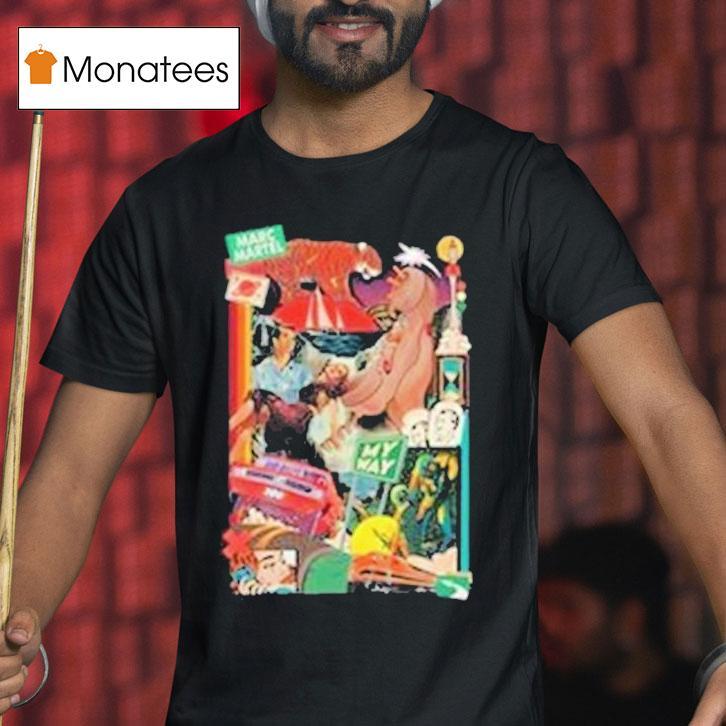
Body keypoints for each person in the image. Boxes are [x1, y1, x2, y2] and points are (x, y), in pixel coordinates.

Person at [3, 0, 725, 723]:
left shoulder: (522, 187)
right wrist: (15, 622)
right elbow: (70, 475)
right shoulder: (166, 210)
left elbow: (664, 413)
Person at [538, 523, 699, 725]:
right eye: (543, 610)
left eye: (567, 607)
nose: (550, 627)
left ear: (630, 619)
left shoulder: (702, 698)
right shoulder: (544, 703)